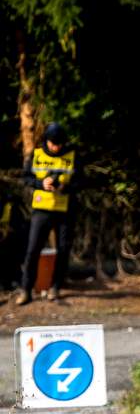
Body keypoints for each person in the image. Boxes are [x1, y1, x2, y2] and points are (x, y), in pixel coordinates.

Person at [17, 123, 78, 305]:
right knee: (32, 249)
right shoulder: (36, 155)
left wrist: (64, 187)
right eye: (53, 143)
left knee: (63, 250)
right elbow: (26, 177)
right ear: (46, 141)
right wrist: (41, 184)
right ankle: (26, 289)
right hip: (41, 210)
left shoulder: (72, 156)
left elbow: (82, 181)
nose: (56, 147)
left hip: (64, 210)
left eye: (59, 144)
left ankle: (55, 287)